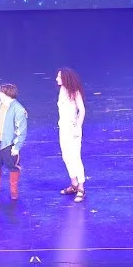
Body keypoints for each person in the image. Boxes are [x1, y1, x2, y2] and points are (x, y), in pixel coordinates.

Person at [0, 83, 28, 200]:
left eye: (1, 92)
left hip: (9, 144)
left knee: (12, 166)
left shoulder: (18, 109)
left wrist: (16, 147)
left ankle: (14, 191)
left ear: (7, 94)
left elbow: (21, 130)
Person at [56, 68, 87, 202]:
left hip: (73, 129)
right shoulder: (62, 91)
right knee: (66, 156)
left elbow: (82, 110)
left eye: (59, 77)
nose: (56, 79)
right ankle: (74, 184)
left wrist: (78, 126)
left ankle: (81, 187)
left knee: (75, 156)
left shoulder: (75, 92)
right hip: (63, 128)